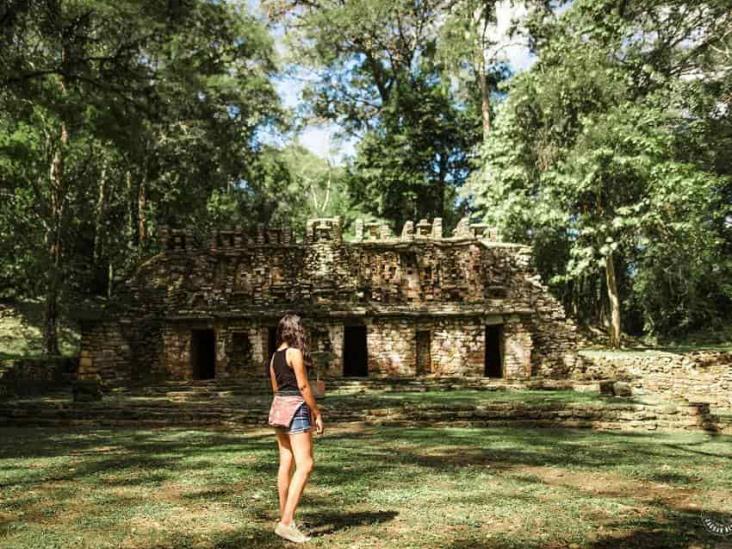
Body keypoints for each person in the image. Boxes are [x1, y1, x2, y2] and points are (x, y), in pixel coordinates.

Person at [269, 313, 325, 544]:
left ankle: (286, 518)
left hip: (279, 407)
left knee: (286, 464)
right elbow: (302, 386)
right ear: (296, 330)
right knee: (306, 464)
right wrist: (317, 412)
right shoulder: (295, 353)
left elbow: (275, 389)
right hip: (296, 409)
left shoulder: (274, 357)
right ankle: (285, 523)